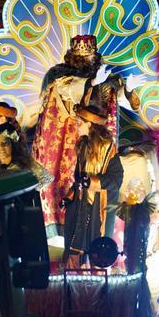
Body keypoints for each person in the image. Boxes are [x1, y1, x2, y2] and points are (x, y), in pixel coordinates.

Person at [32, 34, 142, 236]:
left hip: (97, 142)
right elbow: (68, 90)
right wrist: (90, 83)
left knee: (97, 183)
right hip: (68, 140)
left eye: (89, 57)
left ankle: (96, 233)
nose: (85, 61)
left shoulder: (106, 78)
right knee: (69, 180)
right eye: (81, 58)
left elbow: (117, 99)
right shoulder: (59, 76)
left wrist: (127, 89)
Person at [62, 104, 123, 266]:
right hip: (81, 202)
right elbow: (78, 179)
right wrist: (69, 197)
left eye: (79, 123)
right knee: (75, 237)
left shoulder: (108, 148)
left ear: (89, 124)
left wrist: (93, 182)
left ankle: (94, 282)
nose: (77, 126)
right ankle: (75, 279)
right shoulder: (83, 146)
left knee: (96, 245)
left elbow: (116, 179)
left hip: (100, 204)